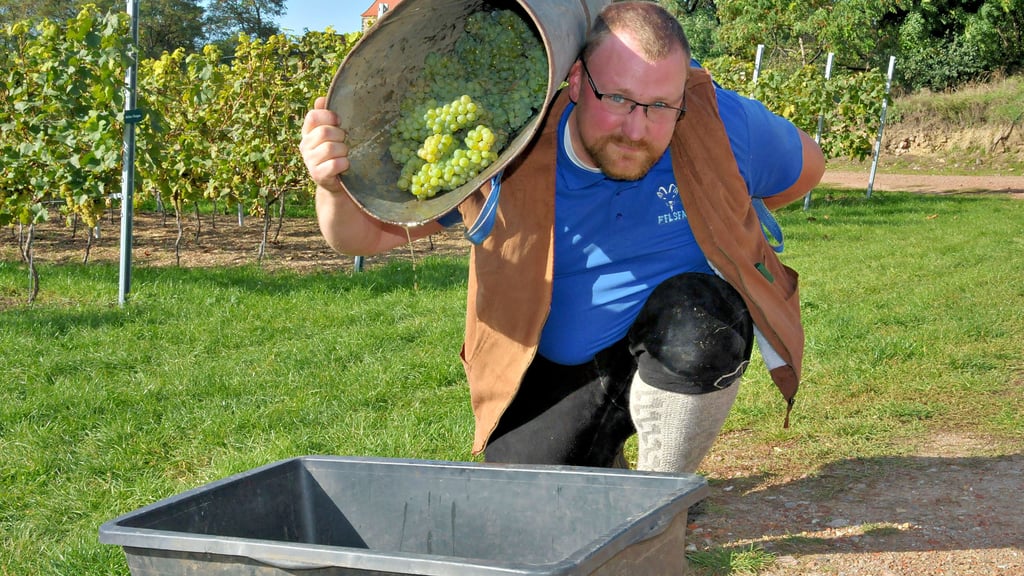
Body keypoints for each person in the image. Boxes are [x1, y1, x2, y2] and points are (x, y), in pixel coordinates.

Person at [300, 1, 825, 474]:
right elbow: (360, 238)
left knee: (700, 320)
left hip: (674, 332)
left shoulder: (720, 122)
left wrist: (728, 213)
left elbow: (807, 168)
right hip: (559, 367)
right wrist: (332, 188)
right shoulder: (509, 150)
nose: (638, 129)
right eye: (618, 98)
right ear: (575, 81)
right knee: (521, 505)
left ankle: (661, 496)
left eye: (661, 105)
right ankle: (604, 469)